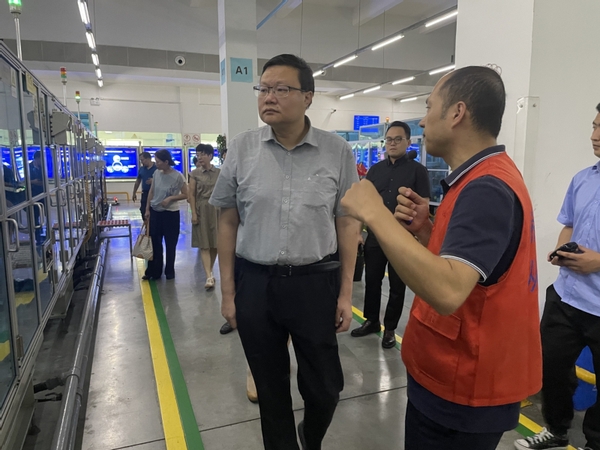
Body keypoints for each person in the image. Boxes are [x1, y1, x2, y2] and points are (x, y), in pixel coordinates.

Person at [341, 66, 542, 450]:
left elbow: (449, 291)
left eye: (429, 106)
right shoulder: (478, 178)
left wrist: (374, 213)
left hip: (463, 387)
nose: (422, 119)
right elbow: (477, 269)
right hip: (454, 375)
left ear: (456, 113)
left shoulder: (485, 188)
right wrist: (428, 232)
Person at [210, 54, 359, 450]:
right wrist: (228, 293)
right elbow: (227, 220)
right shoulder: (242, 149)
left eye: (281, 89)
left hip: (315, 284)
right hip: (256, 283)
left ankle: (311, 436)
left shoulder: (337, 151)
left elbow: (347, 222)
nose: (269, 97)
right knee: (270, 390)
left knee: (326, 387)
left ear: (308, 96)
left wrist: (345, 293)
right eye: (263, 89)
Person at [514, 104, 600, 450]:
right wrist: (563, 250)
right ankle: (557, 429)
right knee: (550, 368)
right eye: (594, 126)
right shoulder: (583, 179)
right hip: (567, 297)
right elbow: (569, 224)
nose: (594, 136)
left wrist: (598, 262)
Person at [350, 121, 430, 348]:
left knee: (397, 285)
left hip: (402, 239)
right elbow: (364, 203)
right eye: (389, 140)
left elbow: (423, 204)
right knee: (372, 280)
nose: (392, 144)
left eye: (397, 139)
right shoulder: (375, 170)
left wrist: (418, 234)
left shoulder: (418, 171)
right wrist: (358, 232)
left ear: (408, 141)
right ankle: (371, 321)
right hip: (375, 236)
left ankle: (390, 328)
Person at [143, 149, 187, 281]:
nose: (156, 164)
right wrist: (147, 209)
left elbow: (186, 194)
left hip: (171, 214)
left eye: (158, 161)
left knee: (170, 243)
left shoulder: (178, 176)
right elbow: (151, 192)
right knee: (155, 243)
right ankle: (154, 271)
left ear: (166, 162)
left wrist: (171, 198)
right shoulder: (156, 173)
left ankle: (169, 271)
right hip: (156, 212)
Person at [189, 143, 220, 290]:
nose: (199, 157)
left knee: (215, 243)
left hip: (217, 210)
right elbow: (191, 195)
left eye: (202, 154)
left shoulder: (219, 173)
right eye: (197, 155)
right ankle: (208, 276)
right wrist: (194, 213)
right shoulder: (194, 174)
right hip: (201, 209)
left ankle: (210, 272)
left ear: (210, 156)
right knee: (204, 244)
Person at [132, 152, 157, 219]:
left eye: (142, 160)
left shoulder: (157, 168)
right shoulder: (141, 169)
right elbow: (138, 181)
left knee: (154, 211)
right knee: (143, 209)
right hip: (145, 193)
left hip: (156, 193)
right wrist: (134, 193)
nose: (141, 162)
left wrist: (154, 180)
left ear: (148, 159)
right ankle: (146, 223)